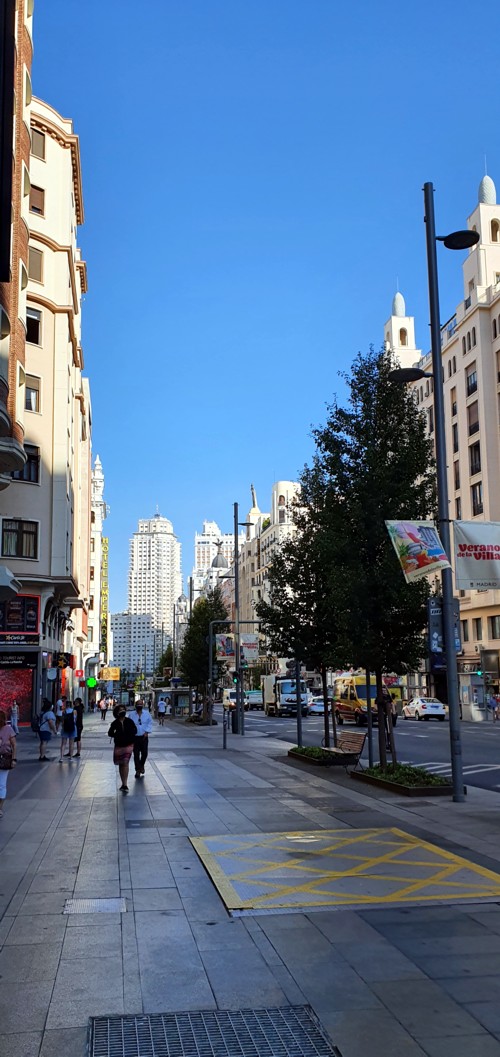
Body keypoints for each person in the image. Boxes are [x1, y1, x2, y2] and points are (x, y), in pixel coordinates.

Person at [108, 705, 137, 792]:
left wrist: (130, 737)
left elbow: (135, 730)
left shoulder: (129, 721)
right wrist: (117, 735)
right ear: (117, 713)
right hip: (119, 745)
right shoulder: (115, 723)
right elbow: (110, 733)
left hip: (128, 744)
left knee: (125, 762)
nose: (122, 711)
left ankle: (125, 784)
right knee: (121, 764)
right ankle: (123, 783)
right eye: (120, 710)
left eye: (123, 710)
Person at [129, 698, 153, 778]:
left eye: (141, 704)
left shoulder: (147, 714)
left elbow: (150, 723)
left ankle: (141, 765)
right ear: (135, 706)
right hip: (135, 737)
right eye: (138, 705)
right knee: (136, 754)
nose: (139, 706)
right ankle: (138, 770)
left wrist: (147, 732)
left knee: (144, 753)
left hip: (144, 737)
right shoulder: (131, 714)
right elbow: (129, 724)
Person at [0, 709, 17, 818]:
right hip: (4, 757)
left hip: (4, 759)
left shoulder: (8, 729)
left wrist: (14, 759)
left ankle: (0, 808)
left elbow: (14, 745)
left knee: (2, 784)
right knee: (1, 785)